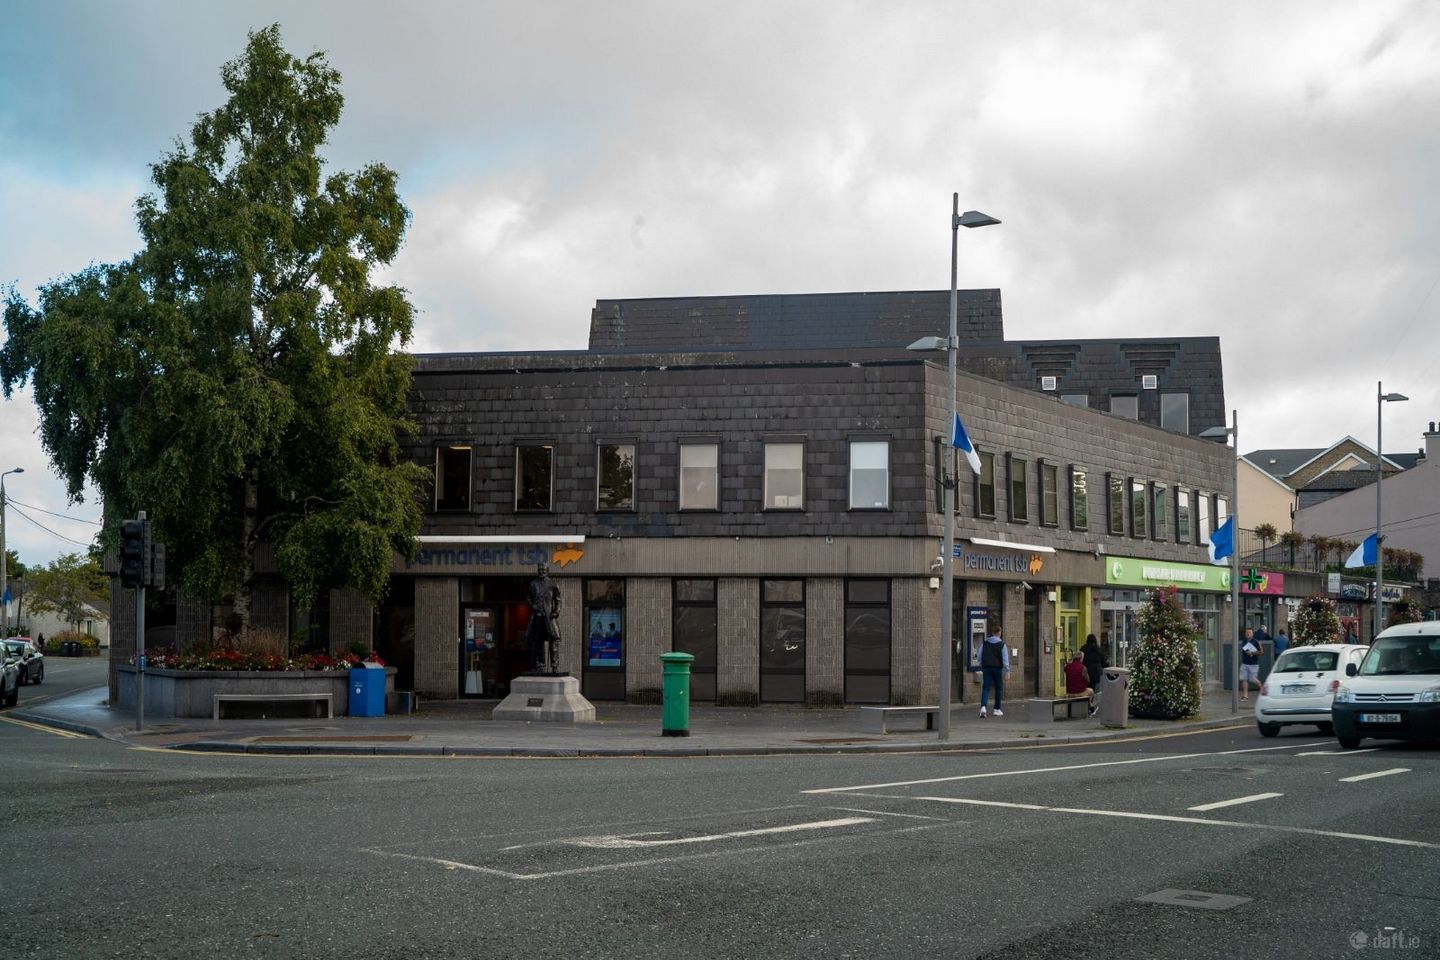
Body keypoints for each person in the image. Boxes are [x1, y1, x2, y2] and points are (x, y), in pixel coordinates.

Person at [524, 562, 562, 673]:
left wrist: (556, 611)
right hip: (537, 617)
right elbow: (528, 598)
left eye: (543, 570)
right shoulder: (533, 584)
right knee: (537, 641)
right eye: (540, 569)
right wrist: (533, 605)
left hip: (549, 617)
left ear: (547, 570)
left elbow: (558, 600)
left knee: (554, 640)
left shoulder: (553, 584)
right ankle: (540, 665)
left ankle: (555, 665)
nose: (541, 571)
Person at [978, 624, 1009, 718]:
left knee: (985, 688)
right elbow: (1005, 659)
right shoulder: (1002, 645)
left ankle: (983, 707)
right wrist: (1007, 671)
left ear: (992, 633)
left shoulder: (985, 643)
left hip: (987, 668)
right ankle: (997, 709)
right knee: (998, 688)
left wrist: (981, 665)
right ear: (999, 633)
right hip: (997, 669)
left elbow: (979, 656)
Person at [1063, 651, 1096, 716]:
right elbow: (1088, 680)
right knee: (1091, 691)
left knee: (1087, 691)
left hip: (1069, 692)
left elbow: (1065, 670)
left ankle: (1089, 706)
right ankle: (1089, 707)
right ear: (1081, 658)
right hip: (1080, 691)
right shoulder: (1083, 667)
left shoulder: (1067, 667)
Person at [1239, 627, 1262, 702]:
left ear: (1252, 634)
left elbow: (1261, 652)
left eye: (1249, 632)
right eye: (1247, 633)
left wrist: (1252, 653)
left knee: (1253, 679)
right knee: (1244, 679)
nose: (1248, 634)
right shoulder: (1244, 641)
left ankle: (1263, 690)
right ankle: (1245, 696)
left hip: (1253, 664)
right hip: (1244, 663)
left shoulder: (1256, 642)